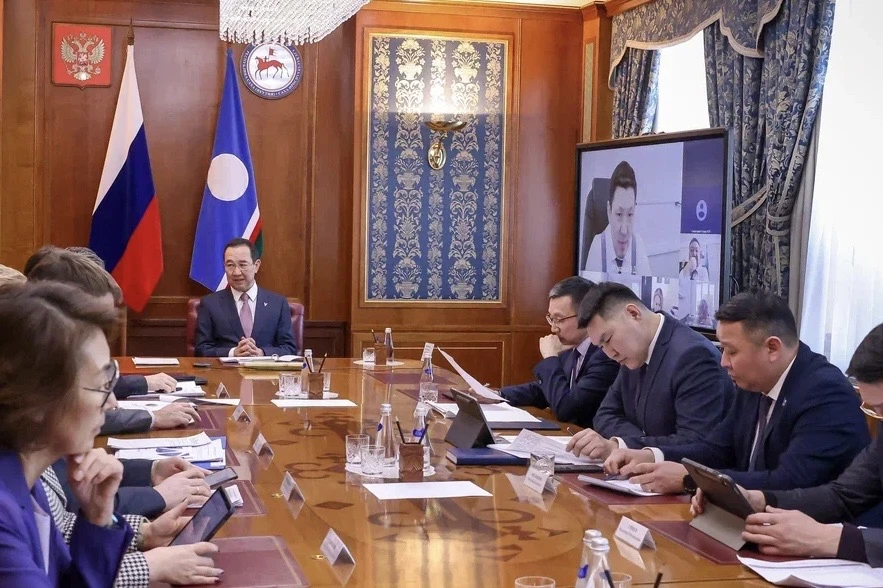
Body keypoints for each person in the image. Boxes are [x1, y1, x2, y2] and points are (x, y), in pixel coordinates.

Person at [604, 292, 869, 494]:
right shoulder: (752, 382)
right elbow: (717, 449)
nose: (723, 362)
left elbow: (789, 481)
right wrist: (652, 455)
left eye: (732, 351)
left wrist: (689, 479)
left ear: (772, 348)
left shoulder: (825, 395)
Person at [691, 323, 883, 565]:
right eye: (875, 410)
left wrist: (832, 539)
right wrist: (761, 500)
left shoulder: (823, 388)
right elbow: (843, 495)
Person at [0, 281, 134, 584]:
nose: (111, 402)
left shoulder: (26, 483)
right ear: (35, 398)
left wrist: (98, 517)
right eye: (101, 385)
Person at [25, 249, 193, 432]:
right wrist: (152, 417)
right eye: (95, 322)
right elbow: (67, 418)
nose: (100, 335)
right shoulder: (31, 361)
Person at [565, 282, 731, 460]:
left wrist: (622, 446)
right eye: (601, 346)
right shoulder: (632, 352)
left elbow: (695, 442)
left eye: (608, 339)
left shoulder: (693, 356)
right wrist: (637, 442)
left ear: (633, 313)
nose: (610, 353)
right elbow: (604, 415)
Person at [500, 277, 619, 427]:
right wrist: (498, 395)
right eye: (551, 319)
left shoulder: (605, 355)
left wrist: (550, 358)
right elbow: (545, 390)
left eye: (559, 319)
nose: (553, 328)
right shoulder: (571, 347)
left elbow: (566, 409)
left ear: (586, 315)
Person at [194, 238, 297, 357]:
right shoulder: (210, 304)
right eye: (230, 265)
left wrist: (262, 353)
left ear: (256, 266)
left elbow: (289, 348)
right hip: (225, 368)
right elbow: (201, 349)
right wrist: (233, 353)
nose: (236, 272)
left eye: (242, 265)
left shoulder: (278, 304)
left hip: (264, 368)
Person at [584, 161, 652, 277]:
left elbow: (647, 287)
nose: (624, 231)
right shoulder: (597, 247)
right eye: (619, 214)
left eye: (630, 214)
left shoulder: (638, 244)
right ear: (609, 211)